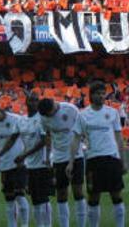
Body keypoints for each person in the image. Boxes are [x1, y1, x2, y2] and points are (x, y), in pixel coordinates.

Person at [67, 81, 126, 227]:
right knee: (93, 197)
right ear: (91, 95)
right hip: (93, 160)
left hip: (112, 158)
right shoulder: (83, 115)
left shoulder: (112, 112)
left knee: (116, 195)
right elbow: (76, 139)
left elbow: (119, 137)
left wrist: (123, 160)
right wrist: (71, 161)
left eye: (103, 93)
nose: (101, 96)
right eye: (98, 93)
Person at [39, 97, 87, 227]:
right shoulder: (43, 117)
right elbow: (48, 136)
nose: (50, 117)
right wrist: (48, 157)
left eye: (51, 113)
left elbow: (82, 129)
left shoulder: (71, 109)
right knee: (61, 193)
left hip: (76, 155)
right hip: (58, 157)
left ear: (54, 106)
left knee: (78, 191)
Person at [0, 102, 30, 227]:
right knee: (9, 198)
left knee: (20, 196)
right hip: (4, 165)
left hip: (18, 164)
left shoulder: (16, 119)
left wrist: (25, 155)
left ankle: (25, 225)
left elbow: (26, 140)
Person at [14, 93, 53, 227]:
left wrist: (25, 155)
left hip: (42, 164)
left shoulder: (42, 119)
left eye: (36, 100)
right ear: (26, 102)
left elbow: (44, 141)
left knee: (44, 199)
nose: (34, 103)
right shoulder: (21, 120)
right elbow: (14, 138)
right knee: (35, 200)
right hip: (29, 165)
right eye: (32, 100)